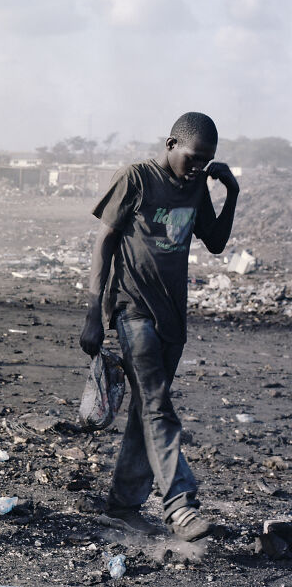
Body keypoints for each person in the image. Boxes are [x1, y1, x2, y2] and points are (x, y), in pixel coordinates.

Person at [79, 112, 239, 541]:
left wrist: (232, 192)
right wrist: (94, 314)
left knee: (146, 410)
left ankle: (123, 505)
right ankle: (180, 505)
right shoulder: (137, 178)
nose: (198, 168)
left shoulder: (196, 188)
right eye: (193, 158)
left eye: (207, 161)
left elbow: (218, 243)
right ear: (170, 144)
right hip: (133, 311)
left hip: (173, 319)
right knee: (156, 404)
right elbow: (104, 243)